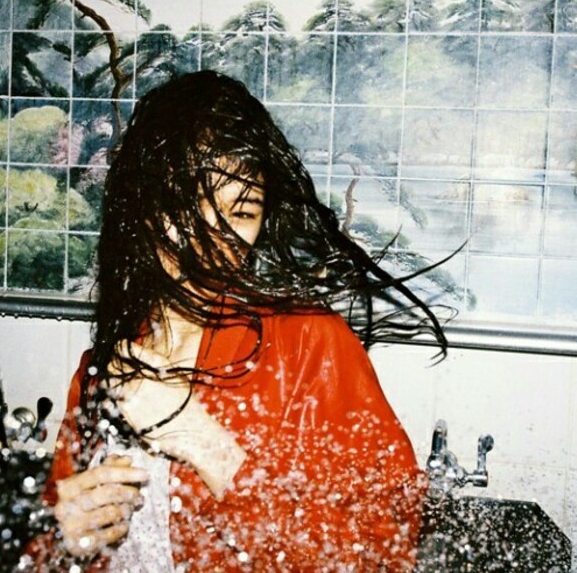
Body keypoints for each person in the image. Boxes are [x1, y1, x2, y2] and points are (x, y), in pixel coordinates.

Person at [22, 70, 448, 572]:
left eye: (241, 212)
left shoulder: (310, 347)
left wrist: (207, 445)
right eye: (189, 206)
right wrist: (61, 543)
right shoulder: (100, 371)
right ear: (143, 211)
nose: (214, 240)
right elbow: (51, 553)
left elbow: (381, 555)